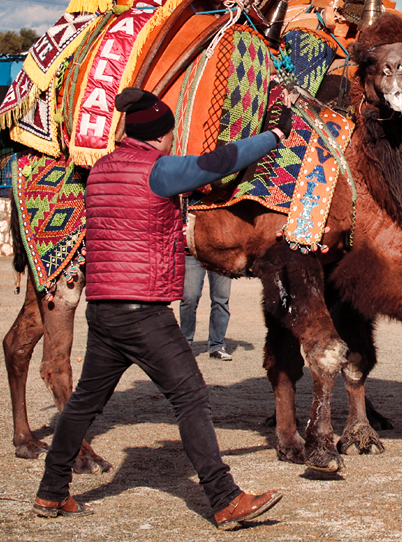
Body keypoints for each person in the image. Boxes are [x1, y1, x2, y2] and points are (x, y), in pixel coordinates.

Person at [33, 89, 286, 528]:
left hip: (106, 309)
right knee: (190, 396)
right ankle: (224, 497)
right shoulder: (160, 170)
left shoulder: (101, 170)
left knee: (84, 406)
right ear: (160, 135)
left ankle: (51, 492)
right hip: (143, 311)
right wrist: (274, 135)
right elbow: (221, 160)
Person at [180, 254, 234, 361]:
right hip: (193, 251)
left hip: (222, 253)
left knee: (221, 299)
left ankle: (217, 345)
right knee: (189, 298)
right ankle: (185, 344)